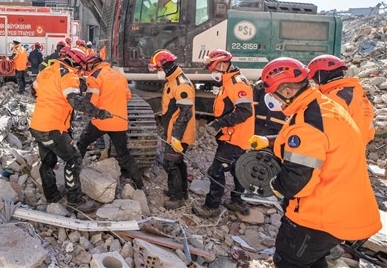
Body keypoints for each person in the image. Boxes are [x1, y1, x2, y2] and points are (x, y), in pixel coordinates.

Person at [253, 57, 382, 268]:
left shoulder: (307, 123)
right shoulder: (325, 105)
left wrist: (274, 186)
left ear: (286, 91)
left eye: (271, 94)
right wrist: (269, 141)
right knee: (313, 261)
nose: (271, 100)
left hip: (320, 215)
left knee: (288, 260)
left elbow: (297, 182)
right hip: (344, 205)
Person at [30, 48, 113, 212]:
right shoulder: (68, 75)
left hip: (37, 125)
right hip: (54, 127)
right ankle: (75, 200)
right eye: (81, 67)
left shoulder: (46, 71)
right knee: (74, 159)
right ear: (76, 63)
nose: (81, 71)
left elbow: (34, 91)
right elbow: (76, 101)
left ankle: (52, 196)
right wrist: (99, 113)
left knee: (47, 162)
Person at [193, 49, 255, 217]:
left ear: (222, 65)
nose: (212, 72)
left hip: (234, 138)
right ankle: (237, 201)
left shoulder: (237, 84)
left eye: (213, 68)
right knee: (237, 169)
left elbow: (244, 111)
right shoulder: (229, 82)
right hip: (234, 136)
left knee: (216, 171)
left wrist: (219, 123)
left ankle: (211, 207)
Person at [76, 53, 144, 190]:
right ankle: (139, 184)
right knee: (124, 153)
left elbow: (90, 103)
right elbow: (127, 96)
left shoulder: (95, 77)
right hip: (119, 122)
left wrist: (83, 95)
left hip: (101, 121)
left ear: (92, 64)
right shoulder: (119, 75)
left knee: (82, 143)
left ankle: (74, 173)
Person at [148, 49, 196, 209]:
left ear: (166, 66)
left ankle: (177, 198)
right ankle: (182, 191)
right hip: (173, 132)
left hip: (179, 134)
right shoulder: (172, 80)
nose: (158, 72)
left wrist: (175, 137)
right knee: (178, 162)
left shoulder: (181, 85)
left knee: (171, 164)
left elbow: (185, 114)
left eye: (159, 68)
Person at [307, 54, 375, 144]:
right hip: (358, 147)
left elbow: (325, 129)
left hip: (341, 149)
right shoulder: (355, 91)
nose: (315, 81)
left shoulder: (334, 97)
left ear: (321, 75)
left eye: (314, 77)